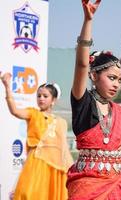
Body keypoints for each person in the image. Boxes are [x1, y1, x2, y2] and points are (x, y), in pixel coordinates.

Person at [66, 0, 121, 199]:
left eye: (120, 80)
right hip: (86, 188)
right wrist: (88, 20)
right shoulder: (82, 102)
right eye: (112, 78)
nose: (116, 84)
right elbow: (81, 64)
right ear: (94, 76)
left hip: (118, 188)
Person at [0, 72, 73, 200]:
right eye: (39, 96)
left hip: (56, 167)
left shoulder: (61, 122)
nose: (41, 98)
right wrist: (7, 86)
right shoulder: (33, 114)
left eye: (45, 96)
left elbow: (64, 149)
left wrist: (70, 169)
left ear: (53, 100)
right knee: (30, 194)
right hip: (37, 162)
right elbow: (15, 111)